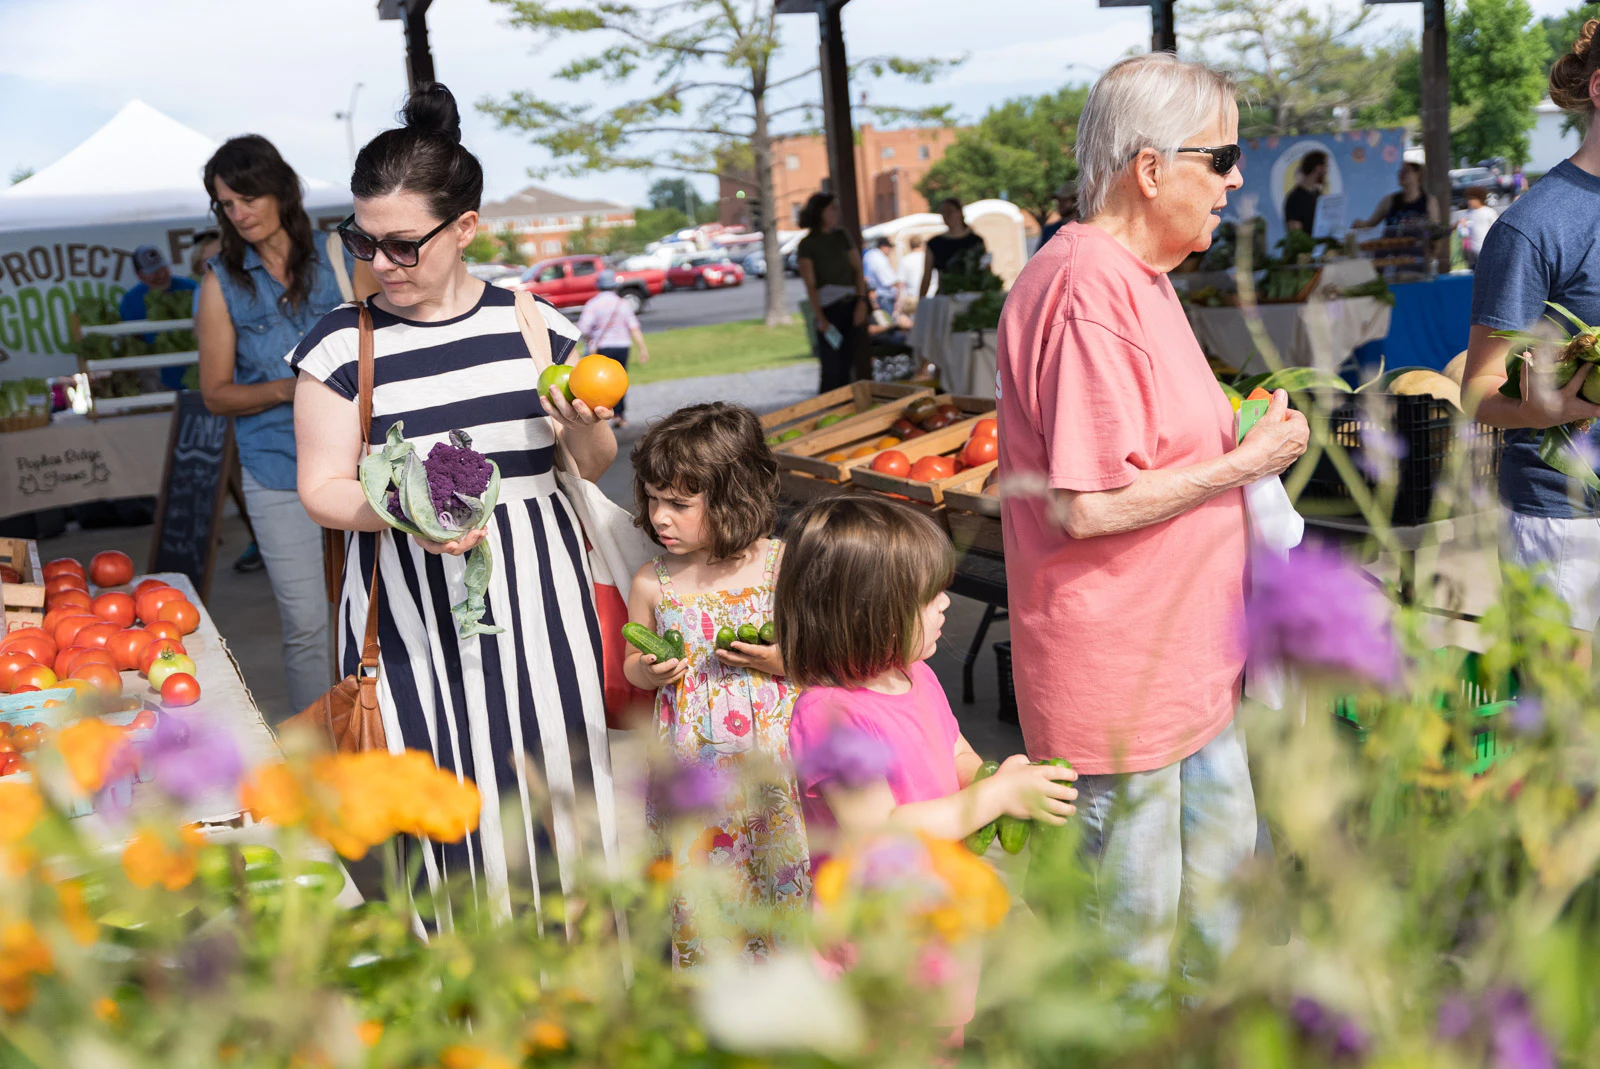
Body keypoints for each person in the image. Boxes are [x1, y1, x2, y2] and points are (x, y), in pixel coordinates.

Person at [994, 52, 1309, 989]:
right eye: (1223, 158)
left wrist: (1235, 432)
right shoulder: (1089, 288)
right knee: (1126, 963)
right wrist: (1247, 463)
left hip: (1186, 674)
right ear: (1150, 167)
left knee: (1217, 929)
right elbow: (1089, 506)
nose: (1237, 179)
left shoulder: (1139, 277)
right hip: (1124, 689)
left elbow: (1152, 452)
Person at [291, 83, 622, 915]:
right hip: (406, 622)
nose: (381, 264)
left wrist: (586, 426)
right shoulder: (341, 342)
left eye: (404, 244)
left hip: (542, 610)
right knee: (442, 832)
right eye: (364, 241)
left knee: (562, 815)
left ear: (466, 227)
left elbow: (590, 463)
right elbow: (323, 490)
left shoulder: (536, 326)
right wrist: (409, 509)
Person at [780, 494, 1077, 1045]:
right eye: (927, 596)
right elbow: (877, 831)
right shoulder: (832, 715)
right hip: (880, 935)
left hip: (936, 916)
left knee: (942, 1035)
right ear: (866, 611)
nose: (946, 603)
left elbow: (956, 755)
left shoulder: (915, 675)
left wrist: (994, 777)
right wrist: (991, 802)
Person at [624, 402, 810, 968]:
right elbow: (632, 664)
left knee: (785, 877)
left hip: (777, 770)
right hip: (695, 777)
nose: (660, 517)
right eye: (653, 499)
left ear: (736, 497)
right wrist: (649, 671)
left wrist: (784, 661)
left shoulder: (784, 565)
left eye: (679, 504)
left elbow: (824, 657)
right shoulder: (654, 581)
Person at [196, 136, 354, 716]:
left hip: (359, 467)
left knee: (374, 616)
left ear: (280, 189)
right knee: (309, 625)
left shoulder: (341, 256)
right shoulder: (220, 282)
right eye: (226, 204)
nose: (239, 214)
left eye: (247, 197)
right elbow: (215, 395)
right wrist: (296, 387)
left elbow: (379, 351)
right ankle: (320, 766)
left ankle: (383, 745)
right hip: (274, 471)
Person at [1462, 19, 1600, 653]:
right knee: (1571, 740)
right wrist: (1538, 409)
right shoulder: (1533, 227)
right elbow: (1479, 389)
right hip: (1566, 523)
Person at [795, 192, 869, 391]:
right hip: (829, 308)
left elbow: (858, 269)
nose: (837, 212)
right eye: (832, 208)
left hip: (852, 303)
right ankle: (830, 409)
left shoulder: (841, 235)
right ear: (820, 212)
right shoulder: (807, 244)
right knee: (831, 366)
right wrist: (820, 317)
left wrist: (862, 301)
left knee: (850, 361)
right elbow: (810, 284)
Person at [576, 270, 650, 429]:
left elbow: (583, 328)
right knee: (619, 382)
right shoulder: (623, 304)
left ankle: (600, 415)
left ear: (599, 286)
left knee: (599, 384)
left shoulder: (593, 304)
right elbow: (634, 327)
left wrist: (590, 338)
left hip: (603, 347)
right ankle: (619, 415)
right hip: (622, 347)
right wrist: (643, 349)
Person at [121, 244, 199, 329]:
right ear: (139, 275)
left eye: (163, 268)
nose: (162, 275)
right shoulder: (130, 301)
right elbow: (132, 338)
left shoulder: (191, 287)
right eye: (154, 272)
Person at [920, 198, 986, 298]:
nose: (947, 216)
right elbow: (927, 275)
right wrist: (921, 300)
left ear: (959, 212)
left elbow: (985, 269)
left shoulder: (976, 241)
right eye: (943, 212)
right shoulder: (934, 243)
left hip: (973, 296)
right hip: (946, 296)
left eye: (950, 211)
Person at [1352, 161, 1443, 231]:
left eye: (1406, 171)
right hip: (1391, 252)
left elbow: (1435, 232)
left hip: (1417, 252)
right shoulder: (1389, 200)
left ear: (1418, 175)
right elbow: (1370, 224)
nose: (1401, 174)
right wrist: (1359, 224)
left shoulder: (1429, 201)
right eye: (1400, 171)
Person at [1283, 150, 1327, 234]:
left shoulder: (1318, 195)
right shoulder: (1295, 199)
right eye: (1326, 167)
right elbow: (1296, 235)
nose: (1326, 171)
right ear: (1318, 168)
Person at [1457, 186, 1498, 269]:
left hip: (1485, 250)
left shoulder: (1489, 212)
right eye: (1468, 199)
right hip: (1471, 251)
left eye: (1471, 199)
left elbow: (1496, 230)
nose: (1469, 201)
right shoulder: (1468, 213)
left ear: (1479, 199)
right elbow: (1462, 230)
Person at [1036, 181, 1080, 249]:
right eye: (1058, 200)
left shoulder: (1084, 228)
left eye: (1064, 200)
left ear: (1076, 201)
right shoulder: (1050, 230)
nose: (1059, 204)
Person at [862, 235, 899, 313]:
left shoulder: (872, 255)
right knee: (891, 322)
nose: (890, 250)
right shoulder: (877, 258)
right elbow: (888, 281)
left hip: (880, 296)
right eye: (889, 247)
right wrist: (900, 285)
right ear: (883, 247)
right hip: (884, 298)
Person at [897, 234, 932, 309]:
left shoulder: (905, 260)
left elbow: (901, 283)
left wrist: (899, 301)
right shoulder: (928, 258)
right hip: (931, 296)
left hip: (912, 298)